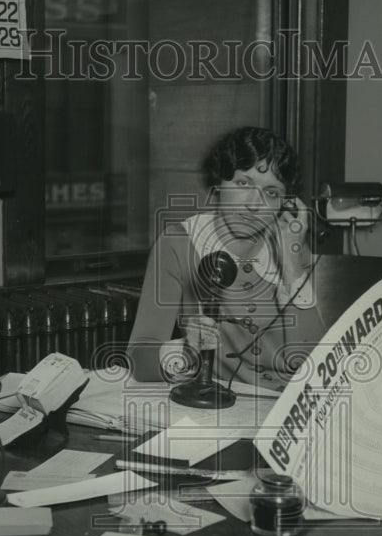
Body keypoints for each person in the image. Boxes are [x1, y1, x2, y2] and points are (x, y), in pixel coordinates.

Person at [127, 127, 328, 392]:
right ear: (219, 183)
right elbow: (139, 361)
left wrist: (291, 264)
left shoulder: (291, 245)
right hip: (221, 403)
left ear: (286, 205)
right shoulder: (177, 244)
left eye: (271, 193)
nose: (253, 204)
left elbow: (315, 364)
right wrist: (187, 350)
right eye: (243, 184)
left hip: (290, 403)